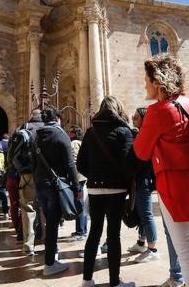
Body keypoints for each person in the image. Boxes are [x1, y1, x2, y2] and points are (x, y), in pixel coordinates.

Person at [134, 56, 189, 287]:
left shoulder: (157, 111)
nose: (145, 84)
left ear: (158, 82)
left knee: (186, 251)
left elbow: (141, 151)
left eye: (147, 79)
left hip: (175, 188)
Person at [77, 96, 136, 287]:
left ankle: (87, 280)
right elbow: (129, 163)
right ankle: (114, 282)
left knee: (94, 233)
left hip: (94, 190)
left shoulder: (90, 132)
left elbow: (80, 164)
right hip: (116, 190)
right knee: (113, 235)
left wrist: (94, 177)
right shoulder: (123, 131)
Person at [33, 108, 81, 276]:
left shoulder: (36, 137)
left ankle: (52, 254)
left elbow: (33, 161)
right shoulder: (61, 136)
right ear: (58, 119)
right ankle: (50, 263)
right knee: (53, 223)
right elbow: (70, 164)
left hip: (39, 183)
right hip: (55, 185)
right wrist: (77, 187)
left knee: (49, 222)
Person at [128, 107, 160, 264]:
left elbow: (143, 158)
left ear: (143, 118)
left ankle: (152, 249)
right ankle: (141, 242)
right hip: (139, 178)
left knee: (146, 214)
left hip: (145, 178)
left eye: (136, 117)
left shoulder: (146, 135)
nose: (133, 119)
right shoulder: (139, 134)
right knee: (140, 212)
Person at [16, 109, 45, 256]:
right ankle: (49, 243)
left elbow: (12, 154)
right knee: (46, 208)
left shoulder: (24, 128)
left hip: (27, 173)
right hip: (45, 174)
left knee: (28, 209)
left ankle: (28, 245)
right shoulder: (48, 129)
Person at [69, 125, 88, 239]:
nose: (69, 134)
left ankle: (81, 231)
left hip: (78, 177)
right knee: (79, 202)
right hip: (82, 176)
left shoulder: (74, 143)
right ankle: (80, 229)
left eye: (70, 132)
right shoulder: (81, 142)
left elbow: (73, 160)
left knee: (79, 203)